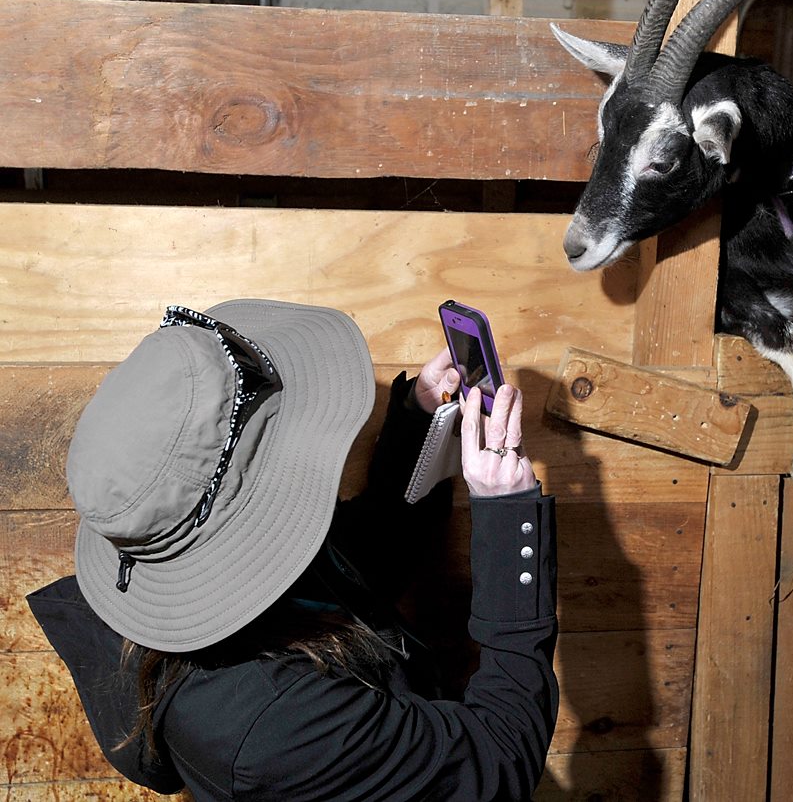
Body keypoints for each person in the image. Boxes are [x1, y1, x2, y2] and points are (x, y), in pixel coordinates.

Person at [27, 299, 558, 801]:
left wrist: (422, 418)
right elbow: (499, 758)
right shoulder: (278, 732)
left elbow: (359, 566)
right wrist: (509, 517)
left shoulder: (203, 556)